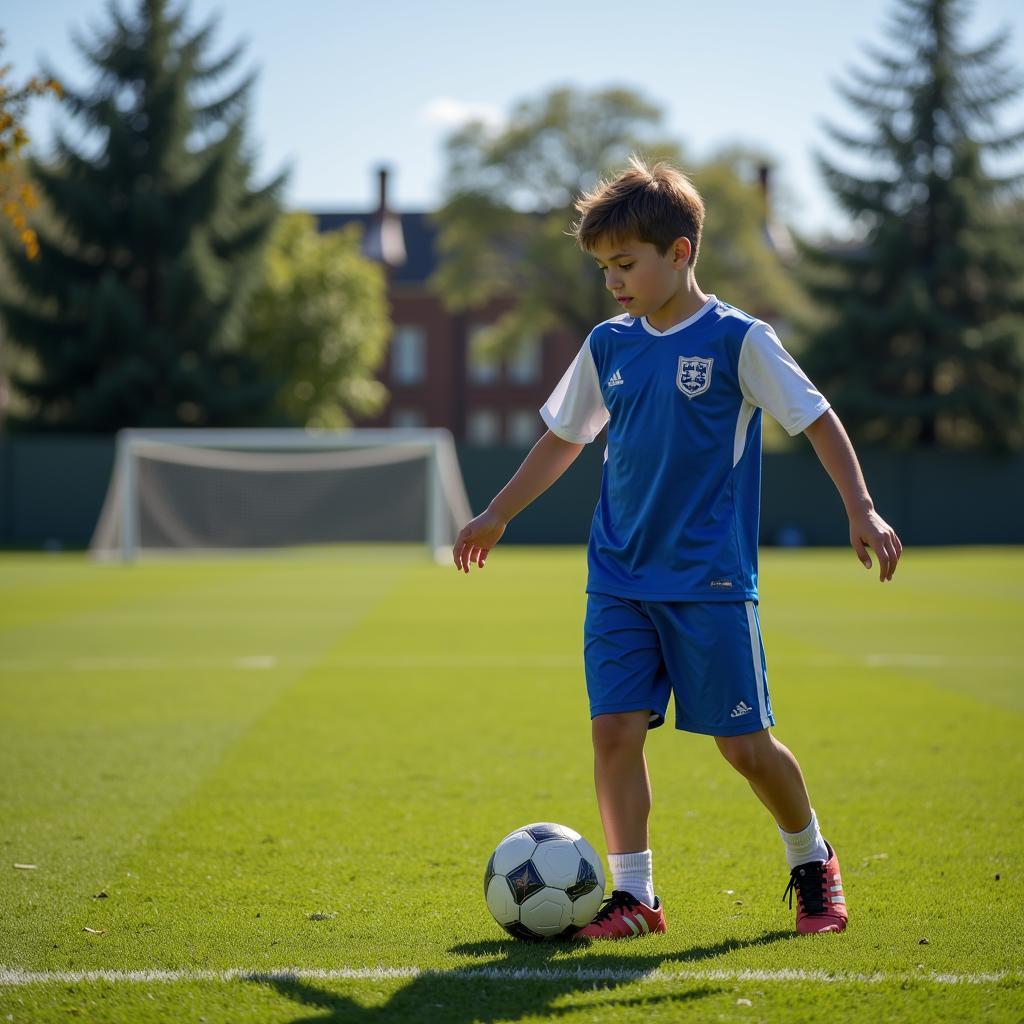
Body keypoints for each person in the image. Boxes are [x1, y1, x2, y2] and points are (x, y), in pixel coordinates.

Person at [452, 157, 902, 940]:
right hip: (618, 577)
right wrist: (496, 513)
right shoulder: (607, 345)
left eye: (625, 265)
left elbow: (819, 418)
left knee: (746, 747)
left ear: (681, 253)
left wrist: (860, 508)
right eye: (603, 269)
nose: (613, 282)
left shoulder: (740, 339)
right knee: (614, 733)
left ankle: (812, 864)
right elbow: (563, 439)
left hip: (709, 581)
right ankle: (635, 898)